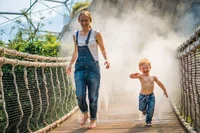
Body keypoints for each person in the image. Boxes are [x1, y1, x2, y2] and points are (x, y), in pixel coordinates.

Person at [67, 10, 110, 129]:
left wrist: (107, 59)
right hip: (79, 68)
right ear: (79, 21)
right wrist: (70, 64)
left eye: (86, 20)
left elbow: (103, 49)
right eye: (82, 20)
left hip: (93, 69)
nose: (84, 22)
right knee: (80, 95)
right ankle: (85, 114)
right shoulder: (75, 34)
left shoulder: (96, 33)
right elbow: (76, 51)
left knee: (93, 96)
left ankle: (93, 119)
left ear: (90, 20)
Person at [129, 58, 168, 126]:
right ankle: (143, 110)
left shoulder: (153, 77)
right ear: (140, 69)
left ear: (150, 67)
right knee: (141, 108)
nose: (145, 70)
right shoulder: (140, 76)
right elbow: (131, 77)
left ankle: (148, 121)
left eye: (147, 68)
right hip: (142, 96)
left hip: (151, 96)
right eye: (143, 68)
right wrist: (133, 74)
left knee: (151, 109)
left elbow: (159, 83)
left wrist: (164, 90)